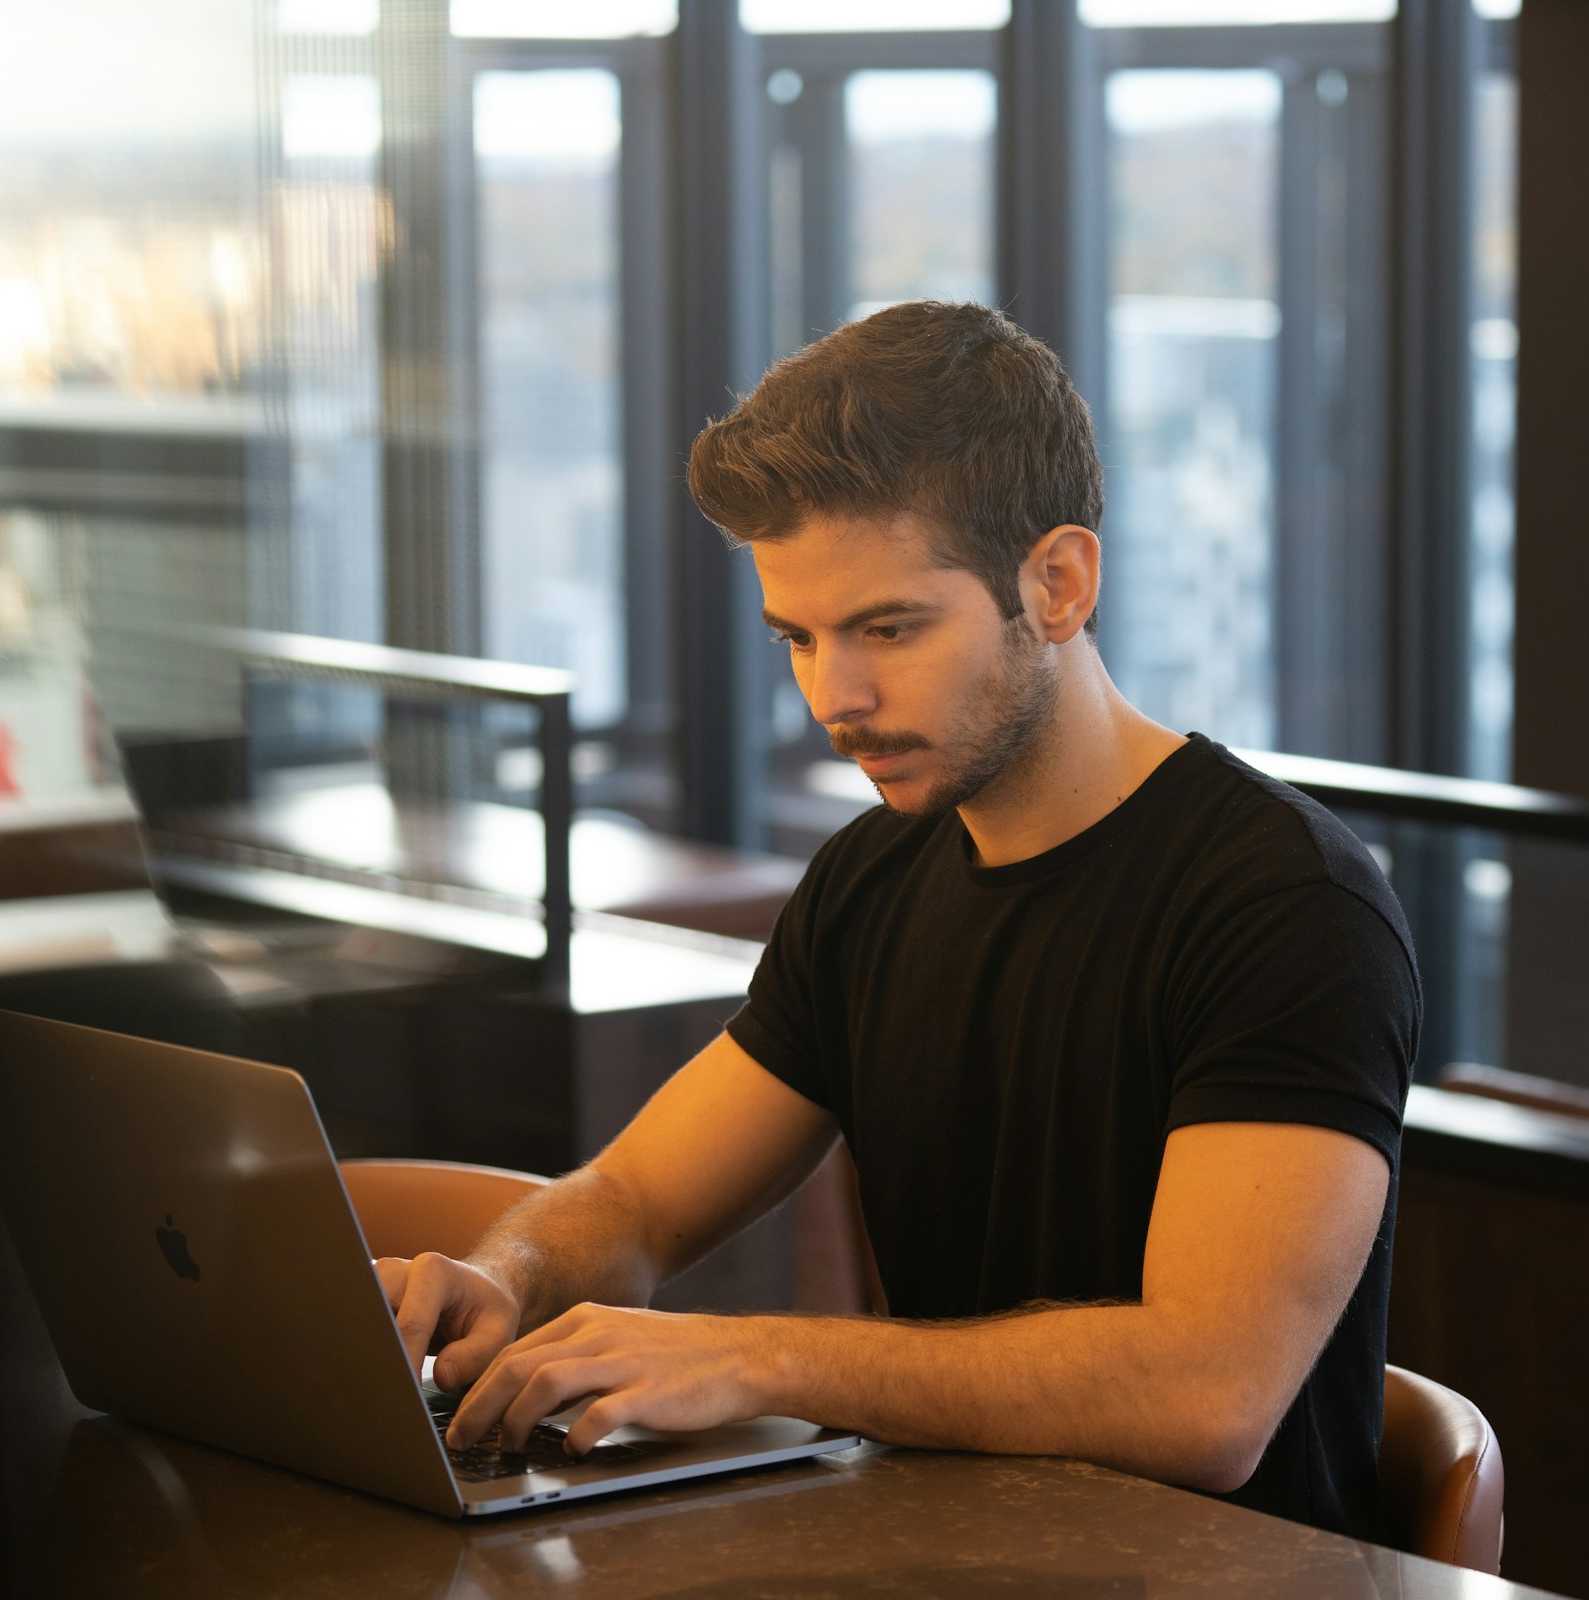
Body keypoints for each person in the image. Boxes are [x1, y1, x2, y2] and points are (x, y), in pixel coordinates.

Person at [380, 301, 1420, 1539]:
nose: (836, 695)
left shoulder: (1287, 903)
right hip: (947, 1556)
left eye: (888, 627)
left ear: (1060, 582)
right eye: (799, 640)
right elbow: (640, 1202)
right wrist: (504, 1276)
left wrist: (761, 1359)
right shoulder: (869, 881)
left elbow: (1206, 1396)